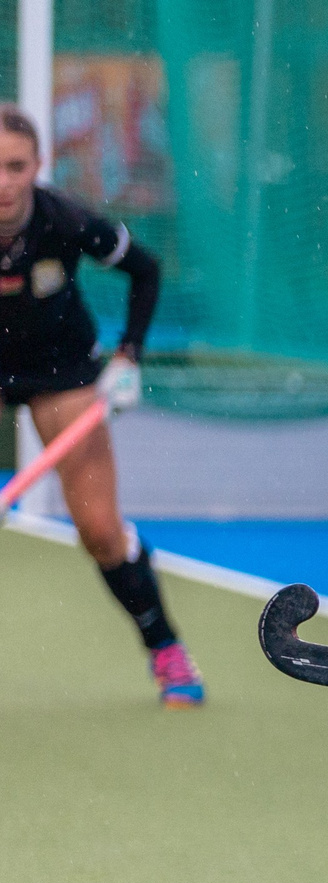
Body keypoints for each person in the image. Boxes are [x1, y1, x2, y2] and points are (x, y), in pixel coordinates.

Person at [0, 102, 193, 705]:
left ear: (39, 165)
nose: (3, 183)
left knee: (102, 533)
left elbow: (146, 270)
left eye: (15, 166)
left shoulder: (66, 221)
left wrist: (129, 355)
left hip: (61, 372)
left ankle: (166, 648)